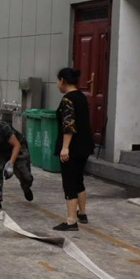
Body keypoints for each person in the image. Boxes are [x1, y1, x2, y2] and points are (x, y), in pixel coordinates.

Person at [52, 67, 95, 231]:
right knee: (78, 179)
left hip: (73, 147)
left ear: (63, 80)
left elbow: (68, 125)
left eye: (58, 81)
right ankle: (82, 213)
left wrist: (65, 148)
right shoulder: (81, 96)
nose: (57, 84)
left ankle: (71, 220)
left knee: (69, 182)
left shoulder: (67, 100)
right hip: (85, 146)